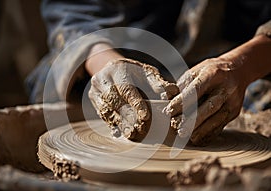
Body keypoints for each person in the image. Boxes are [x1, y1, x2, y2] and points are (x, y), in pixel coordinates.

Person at [26, 0, 271, 145]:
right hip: (126, 46)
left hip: (243, 55)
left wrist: (242, 65)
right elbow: (73, 7)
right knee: (60, 88)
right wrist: (103, 61)